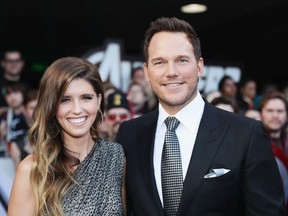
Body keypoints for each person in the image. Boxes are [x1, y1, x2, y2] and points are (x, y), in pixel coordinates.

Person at [116, 17, 286, 216]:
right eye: (160, 62)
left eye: (181, 60)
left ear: (199, 66)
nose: (171, 72)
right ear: (147, 71)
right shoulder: (129, 134)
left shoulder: (246, 134)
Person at [8, 57, 126, 216]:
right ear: (52, 106)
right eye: (65, 100)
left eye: (86, 98)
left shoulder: (116, 156)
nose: (77, 109)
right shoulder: (33, 169)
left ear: (98, 101)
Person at [0, 49, 30, 115]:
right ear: (2, 63)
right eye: (10, 61)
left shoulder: (28, 87)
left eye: (17, 61)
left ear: (22, 63)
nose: (13, 64)